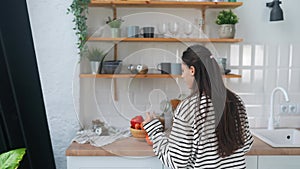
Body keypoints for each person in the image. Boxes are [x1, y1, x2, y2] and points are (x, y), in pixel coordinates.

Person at [142, 45, 253, 169]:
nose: (182, 76)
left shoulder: (188, 109)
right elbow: (246, 145)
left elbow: (176, 162)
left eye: (183, 71)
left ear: (192, 70)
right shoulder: (236, 102)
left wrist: (154, 129)